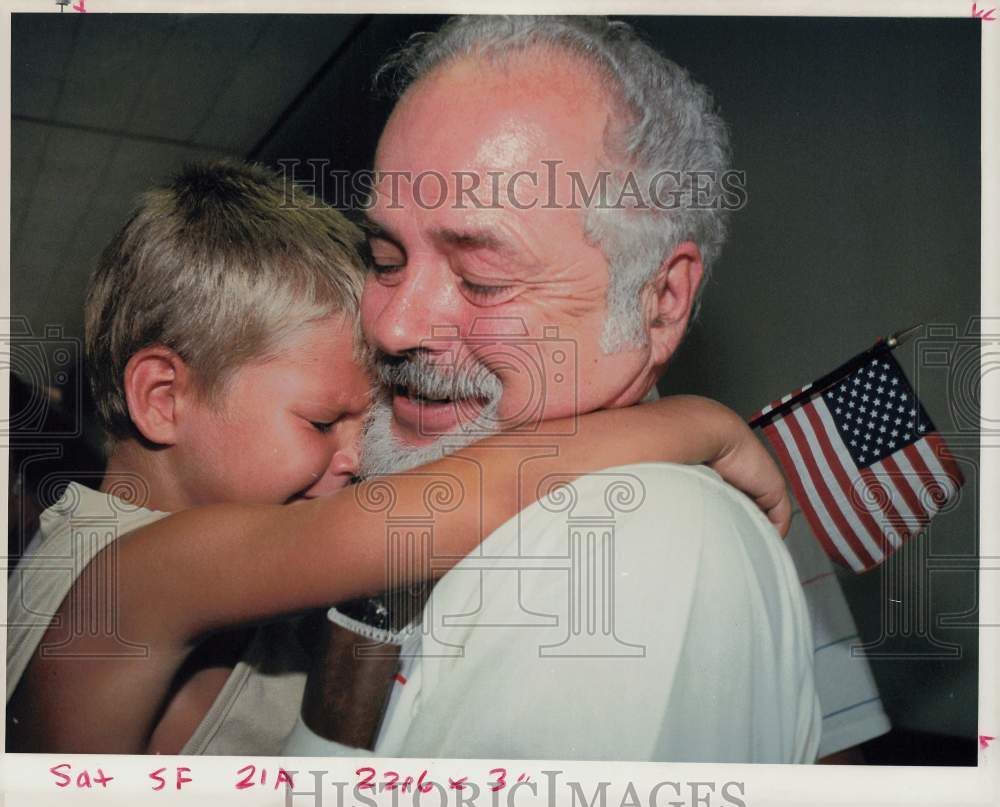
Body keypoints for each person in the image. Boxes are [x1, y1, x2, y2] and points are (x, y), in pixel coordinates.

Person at [6, 161, 791, 755]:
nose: (356, 457)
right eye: (322, 421)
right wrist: (701, 423)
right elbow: (452, 504)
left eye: (367, 416)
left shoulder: (206, 569)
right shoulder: (132, 573)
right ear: (162, 396)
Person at [283, 15, 821, 763]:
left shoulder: (634, 544)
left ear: (659, 302)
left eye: (482, 279)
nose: (395, 324)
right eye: (383, 258)